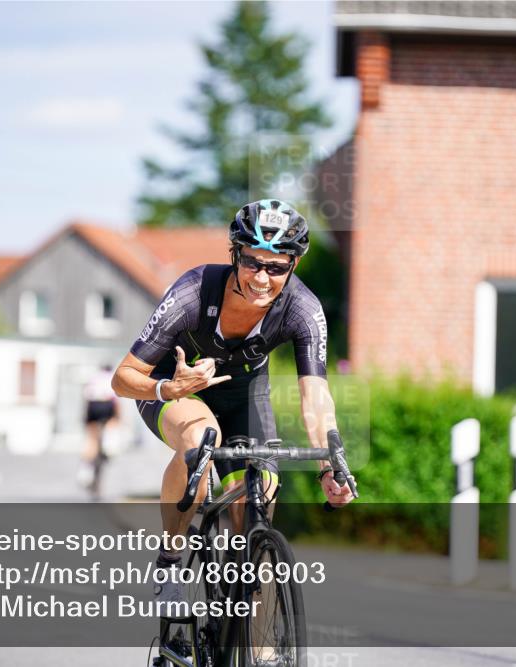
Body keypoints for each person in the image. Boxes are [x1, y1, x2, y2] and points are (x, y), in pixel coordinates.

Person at [111, 199, 356, 607]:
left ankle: (246, 620)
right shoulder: (194, 291)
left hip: (243, 394)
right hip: (176, 387)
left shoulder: (303, 309)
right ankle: (169, 561)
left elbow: (315, 396)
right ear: (235, 255)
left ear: (293, 265)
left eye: (276, 267)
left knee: (260, 493)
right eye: (252, 262)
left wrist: (329, 464)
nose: (262, 277)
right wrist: (168, 388)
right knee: (200, 441)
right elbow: (123, 378)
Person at [77, 364, 120, 496]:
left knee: (92, 438)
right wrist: (118, 418)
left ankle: (85, 471)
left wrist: (86, 419)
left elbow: (86, 397)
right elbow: (116, 401)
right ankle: (109, 444)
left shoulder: (93, 377)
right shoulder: (112, 377)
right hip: (107, 402)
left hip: (93, 404)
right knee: (112, 423)